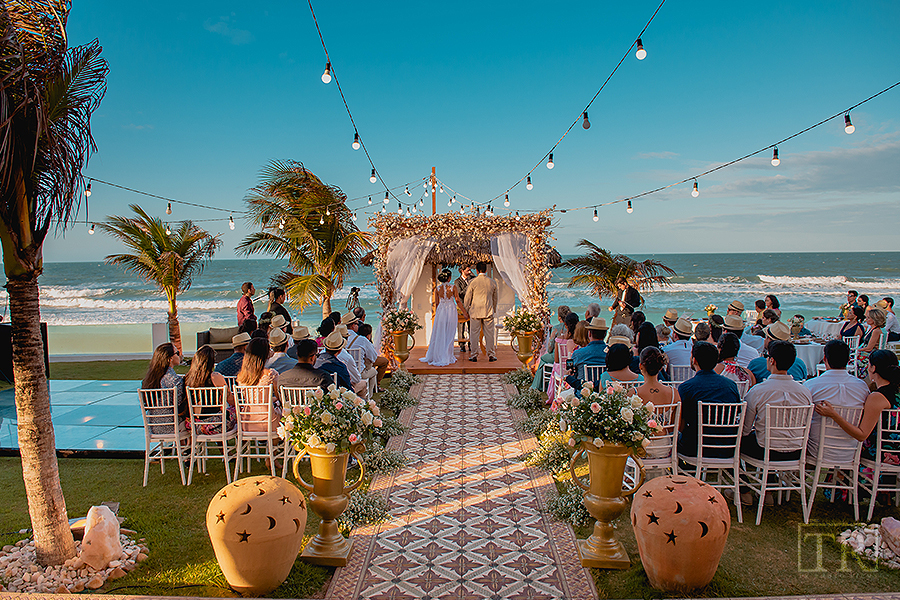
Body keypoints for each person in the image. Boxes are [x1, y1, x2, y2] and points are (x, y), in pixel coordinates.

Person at [815, 349, 900, 465]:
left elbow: (861, 434)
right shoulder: (896, 392)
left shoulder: (877, 397)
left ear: (873, 368)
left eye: (869, 365)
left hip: (883, 453)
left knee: (840, 451)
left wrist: (834, 415)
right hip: (895, 450)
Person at [741, 341, 813, 462]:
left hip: (764, 451)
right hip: (797, 451)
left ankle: (743, 476)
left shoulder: (758, 390)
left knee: (740, 439)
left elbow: (745, 429)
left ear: (772, 360)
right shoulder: (804, 392)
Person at [804, 340, 870, 462]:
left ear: (825, 358)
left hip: (817, 450)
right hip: (851, 451)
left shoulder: (811, 385)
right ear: (848, 359)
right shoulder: (862, 387)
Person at [677, 342, 741, 457]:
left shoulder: (686, 388)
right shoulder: (731, 386)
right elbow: (736, 414)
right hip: (727, 447)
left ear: (694, 360)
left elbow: (680, 423)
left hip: (694, 448)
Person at [185, 344, 236, 435]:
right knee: (236, 410)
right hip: (214, 425)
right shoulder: (216, 377)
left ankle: (222, 448)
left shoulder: (187, 378)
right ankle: (240, 443)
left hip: (193, 426)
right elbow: (231, 401)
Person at [235, 337, 282, 432]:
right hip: (267, 421)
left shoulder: (242, 376)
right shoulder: (271, 374)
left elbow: (254, 399)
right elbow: (280, 396)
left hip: (246, 422)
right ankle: (277, 445)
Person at [421, 269, 466, 366]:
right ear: (449, 277)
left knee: (440, 332)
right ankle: (447, 355)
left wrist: (437, 314)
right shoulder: (453, 287)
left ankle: (439, 354)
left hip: (441, 310)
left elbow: (437, 303)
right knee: (450, 332)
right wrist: (464, 312)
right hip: (450, 310)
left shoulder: (437, 289)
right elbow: (458, 301)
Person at [142, 343, 186, 434]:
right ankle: (186, 448)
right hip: (172, 426)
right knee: (193, 422)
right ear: (170, 358)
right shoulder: (174, 380)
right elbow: (180, 404)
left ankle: (176, 447)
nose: (180, 355)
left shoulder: (149, 379)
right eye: (177, 353)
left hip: (154, 427)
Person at [464, 262, 499, 362]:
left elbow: (467, 297)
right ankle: (491, 354)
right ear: (486, 270)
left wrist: (466, 309)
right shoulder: (492, 282)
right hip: (488, 311)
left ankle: (474, 355)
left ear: (477, 270)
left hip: (475, 312)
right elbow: (495, 298)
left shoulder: (473, 282)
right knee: (489, 334)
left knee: (474, 334)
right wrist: (494, 309)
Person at [531, 306, 572, 391]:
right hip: (570, 357)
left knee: (543, 358)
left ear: (559, 317)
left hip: (557, 357)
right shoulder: (573, 328)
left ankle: (538, 386)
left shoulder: (556, 328)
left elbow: (550, 348)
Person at [565, 317, 608, 389]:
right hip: (604, 392)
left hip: (582, 393)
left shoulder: (578, 353)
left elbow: (570, 370)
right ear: (605, 334)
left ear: (590, 334)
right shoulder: (610, 353)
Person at [546, 312, 580, 403]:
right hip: (574, 369)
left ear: (565, 324)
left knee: (556, 365)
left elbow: (557, 360)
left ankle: (556, 395)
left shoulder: (559, 340)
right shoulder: (578, 341)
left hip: (562, 369)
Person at [348, 316, 389, 386]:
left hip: (347, 370)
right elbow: (373, 358)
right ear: (352, 326)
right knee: (377, 368)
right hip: (360, 370)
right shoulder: (362, 340)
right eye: (357, 324)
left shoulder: (342, 338)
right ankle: (376, 387)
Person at [856, 308, 887, 379]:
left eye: (868, 318)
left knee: (849, 358)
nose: (866, 319)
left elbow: (869, 348)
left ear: (874, 319)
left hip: (869, 354)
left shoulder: (876, 331)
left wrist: (857, 350)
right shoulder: (871, 329)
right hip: (865, 352)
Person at [455, 266, 474, 352]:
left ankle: (471, 344)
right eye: (468, 270)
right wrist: (469, 286)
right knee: (461, 327)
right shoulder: (457, 282)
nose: (470, 272)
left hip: (472, 306)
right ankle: (462, 345)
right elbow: (460, 294)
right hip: (461, 306)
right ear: (462, 271)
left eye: (470, 270)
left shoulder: (472, 279)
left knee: (472, 327)